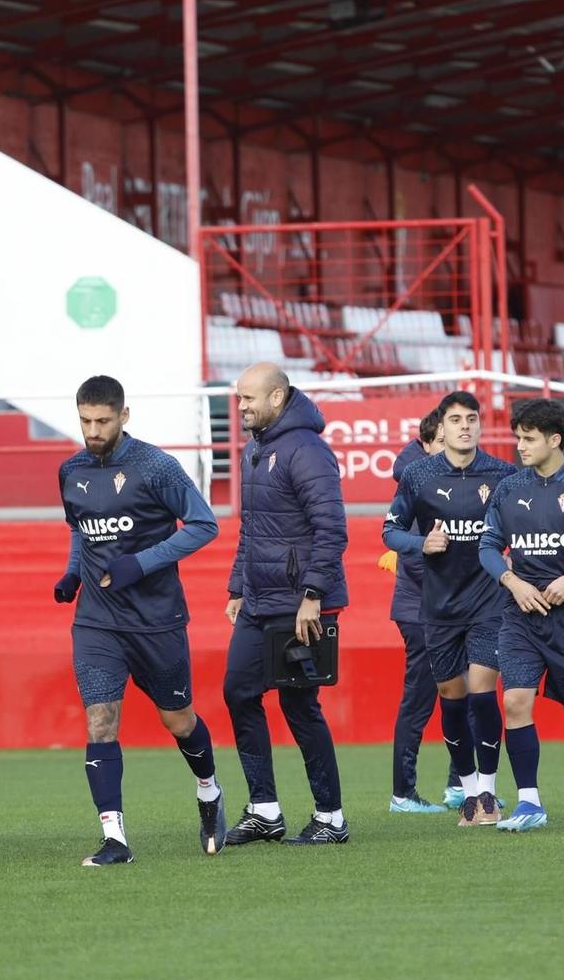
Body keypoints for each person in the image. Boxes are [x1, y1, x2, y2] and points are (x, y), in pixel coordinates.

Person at [56, 375, 225, 866]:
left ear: (123, 416)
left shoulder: (157, 467)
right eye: (85, 421)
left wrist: (141, 563)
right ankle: (115, 839)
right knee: (100, 722)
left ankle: (209, 790)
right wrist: (71, 574)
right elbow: (78, 529)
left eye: (103, 421)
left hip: (156, 620)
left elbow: (204, 525)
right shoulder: (70, 470)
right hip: (97, 622)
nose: (93, 430)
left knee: (178, 720)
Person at [221, 362, 350, 846]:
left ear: (278, 398)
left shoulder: (309, 450)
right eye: (238, 399)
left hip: (300, 604)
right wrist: (237, 587)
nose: (242, 407)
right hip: (258, 601)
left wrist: (312, 596)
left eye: (249, 398)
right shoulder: (255, 448)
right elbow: (252, 529)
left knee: (300, 707)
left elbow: (331, 530)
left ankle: (331, 818)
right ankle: (265, 810)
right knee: (238, 692)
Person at [480, 398, 564, 832]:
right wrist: (512, 582)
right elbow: (487, 547)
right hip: (521, 615)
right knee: (515, 701)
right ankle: (529, 803)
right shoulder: (508, 488)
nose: (520, 445)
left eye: (529, 438)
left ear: (555, 439)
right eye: (518, 437)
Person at [382, 389, 518, 827]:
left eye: (472, 418)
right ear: (440, 428)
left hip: (488, 603)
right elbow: (390, 531)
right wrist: (422, 543)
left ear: (480, 425)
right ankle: (468, 788)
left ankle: (489, 795)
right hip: (438, 606)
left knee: (482, 693)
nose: (464, 426)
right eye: (455, 419)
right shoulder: (419, 476)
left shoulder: (504, 475)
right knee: (451, 697)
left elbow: (532, 524)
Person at [379, 407, 450, 813]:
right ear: (425, 444)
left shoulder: (445, 480)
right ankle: (403, 793)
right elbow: (407, 547)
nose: (450, 448)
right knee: (421, 699)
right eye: (441, 441)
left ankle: (461, 784)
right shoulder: (416, 484)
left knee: (461, 695)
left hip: (446, 606)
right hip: (422, 608)